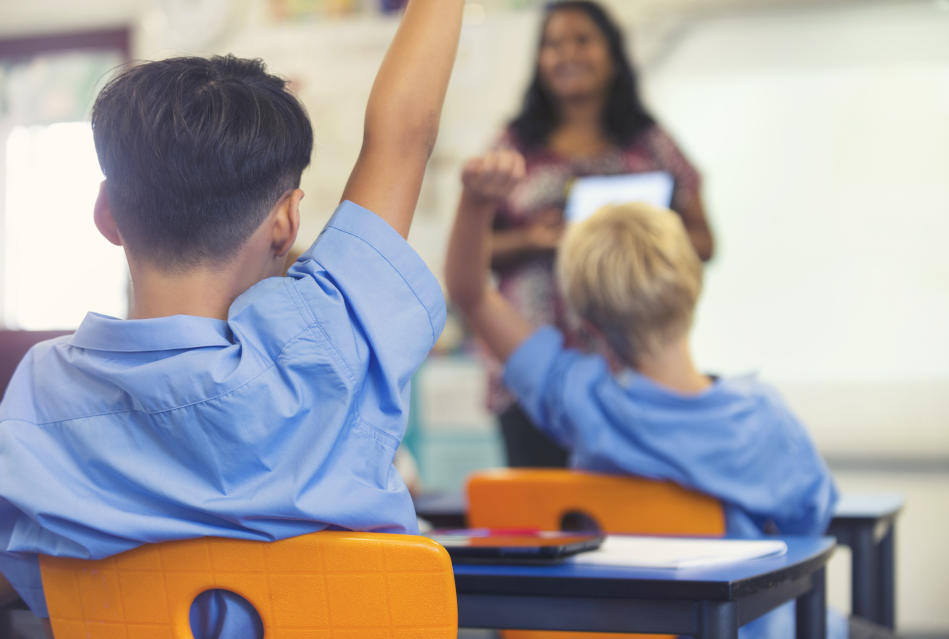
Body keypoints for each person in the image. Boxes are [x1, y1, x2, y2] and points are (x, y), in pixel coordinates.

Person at [0, 1, 464, 637]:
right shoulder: (331, 340)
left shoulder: (38, 394)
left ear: (107, 212)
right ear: (287, 221)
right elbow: (404, 132)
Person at [444, 149, 842, 639]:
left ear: (588, 323)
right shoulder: (763, 419)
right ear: (694, 287)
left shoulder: (579, 400)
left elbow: (471, 294)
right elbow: (811, 523)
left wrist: (475, 202)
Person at [475, 0, 715, 468]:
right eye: (552, 44)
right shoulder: (514, 143)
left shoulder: (650, 142)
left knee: (632, 520)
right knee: (541, 523)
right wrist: (531, 241)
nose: (567, 54)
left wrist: (640, 235)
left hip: (632, 366)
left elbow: (705, 241)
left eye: (582, 40)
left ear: (612, 54)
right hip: (530, 369)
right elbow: (471, 251)